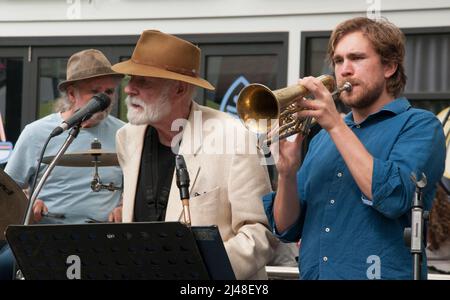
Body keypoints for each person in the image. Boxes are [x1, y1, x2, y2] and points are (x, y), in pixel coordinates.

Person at [263, 17, 446, 279]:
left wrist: (336, 126)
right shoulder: (322, 139)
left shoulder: (420, 126)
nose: (344, 70)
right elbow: (286, 227)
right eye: (338, 61)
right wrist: (287, 173)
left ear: (389, 67)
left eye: (357, 58)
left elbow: (392, 198)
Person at [110, 30, 278, 280]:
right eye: (130, 78)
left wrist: (201, 270)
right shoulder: (127, 137)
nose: (128, 89)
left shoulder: (233, 137)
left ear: (179, 88)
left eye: (143, 81)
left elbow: (260, 233)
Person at [0, 49, 125, 279]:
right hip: (46, 237)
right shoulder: (38, 133)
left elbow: (135, 186)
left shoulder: (125, 134)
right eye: (95, 92)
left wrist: (123, 206)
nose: (105, 100)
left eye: (109, 91)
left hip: (106, 240)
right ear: (71, 93)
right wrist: (27, 204)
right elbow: (7, 195)